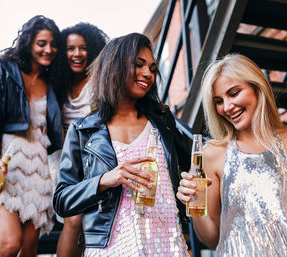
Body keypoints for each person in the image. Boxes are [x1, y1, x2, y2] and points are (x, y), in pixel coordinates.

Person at [176, 53, 287, 256]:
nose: (227, 107)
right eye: (218, 101)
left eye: (234, 93)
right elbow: (212, 240)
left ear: (256, 87)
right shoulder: (212, 154)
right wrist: (195, 204)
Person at [53, 33, 191, 256]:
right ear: (114, 67)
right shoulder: (84, 131)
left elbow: (191, 169)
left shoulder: (163, 121)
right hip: (111, 248)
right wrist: (105, 180)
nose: (148, 74)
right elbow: (62, 200)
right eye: (139, 65)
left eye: (153, 69)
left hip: (166, 245)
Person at [0, 15, 62, 257]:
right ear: (29, 42)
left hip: (38, 167)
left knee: (28, 251)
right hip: (4, 161)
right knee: (9, 242)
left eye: (53, 44)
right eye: (42, 43)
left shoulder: (52, 82)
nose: (48, 49)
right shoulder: (3, 70)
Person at [51, 22, 108, 257]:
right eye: (71, 48)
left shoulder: (100, 81)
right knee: (72, 220)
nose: (76, 54)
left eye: (82, 48)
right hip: (67, 160)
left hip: (96, 158)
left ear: (92, 49)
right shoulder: (57, 83)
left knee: (93, 223)